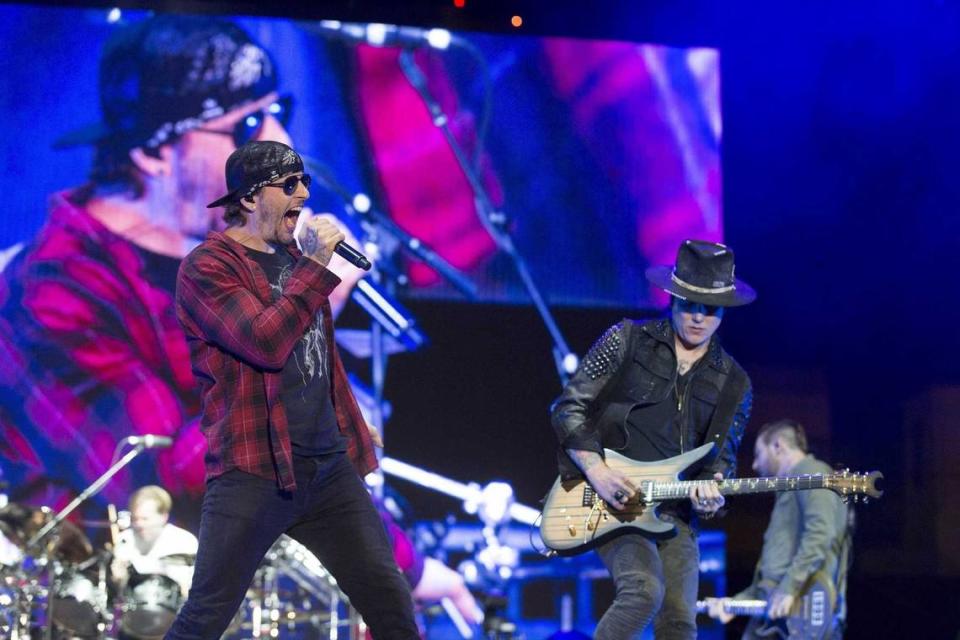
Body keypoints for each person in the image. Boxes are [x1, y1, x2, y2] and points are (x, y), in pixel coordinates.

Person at [165, 139, 418, 637]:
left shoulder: (295, 260)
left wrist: (345, 413)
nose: (303, 193)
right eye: (289, 184)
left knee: (390, 602)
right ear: (250, 198)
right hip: (256, 470)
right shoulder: (207, 267)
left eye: (303, 181)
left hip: (328, 471)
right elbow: (264, 342)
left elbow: (315, 357)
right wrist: (317, 267)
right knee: (207, 614)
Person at [550, 239, 755, 639]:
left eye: (709, 309)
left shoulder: (735, 383)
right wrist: (598, 470)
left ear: (724, 311)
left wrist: (713, 494)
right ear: (672, 297)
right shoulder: (626, 340)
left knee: (679, 621)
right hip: (614, 504)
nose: (698, 317)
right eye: (689, 304)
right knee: (643, 592)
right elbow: (566, 408)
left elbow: (720, 462)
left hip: (676, 515)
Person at [704, 419, 850, 639]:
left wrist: (789, 588)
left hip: (803, 612)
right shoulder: (790, 487)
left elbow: (820, 533)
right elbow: (774, 572)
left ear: (778, 446)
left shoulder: (812, 473)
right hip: (779, 609)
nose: (754, 465)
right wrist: (735, 604)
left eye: (758, 454)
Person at [111, 485, 198, 597]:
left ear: (164, 517)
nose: (139, 524)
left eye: (145, 519)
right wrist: (118, 579)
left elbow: (191, 589)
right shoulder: (125, 539)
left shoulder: (185, 541)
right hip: (132, 609)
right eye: (135, 519)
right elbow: (119, 592)